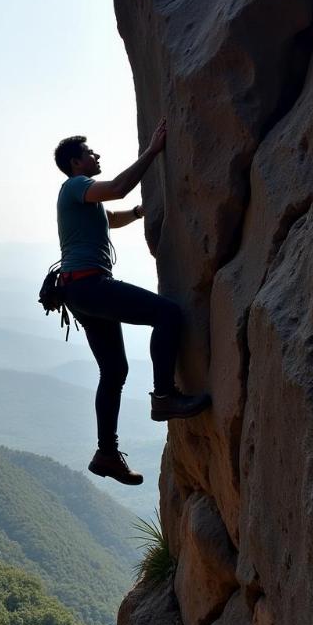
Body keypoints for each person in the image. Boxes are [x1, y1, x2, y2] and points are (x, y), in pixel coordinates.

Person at [54, 119, 210, 486]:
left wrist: (140, 213)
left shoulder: (82, 199)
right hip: (91, 286)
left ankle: (106, 453)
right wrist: (152, 152)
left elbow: (111, 217)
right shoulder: (76, 186)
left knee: (114, 372)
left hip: (80, 292)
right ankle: (164, 397)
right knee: (167, 314)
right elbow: (120, 189)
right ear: (76, 163)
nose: (96, 156)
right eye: (90, 153)